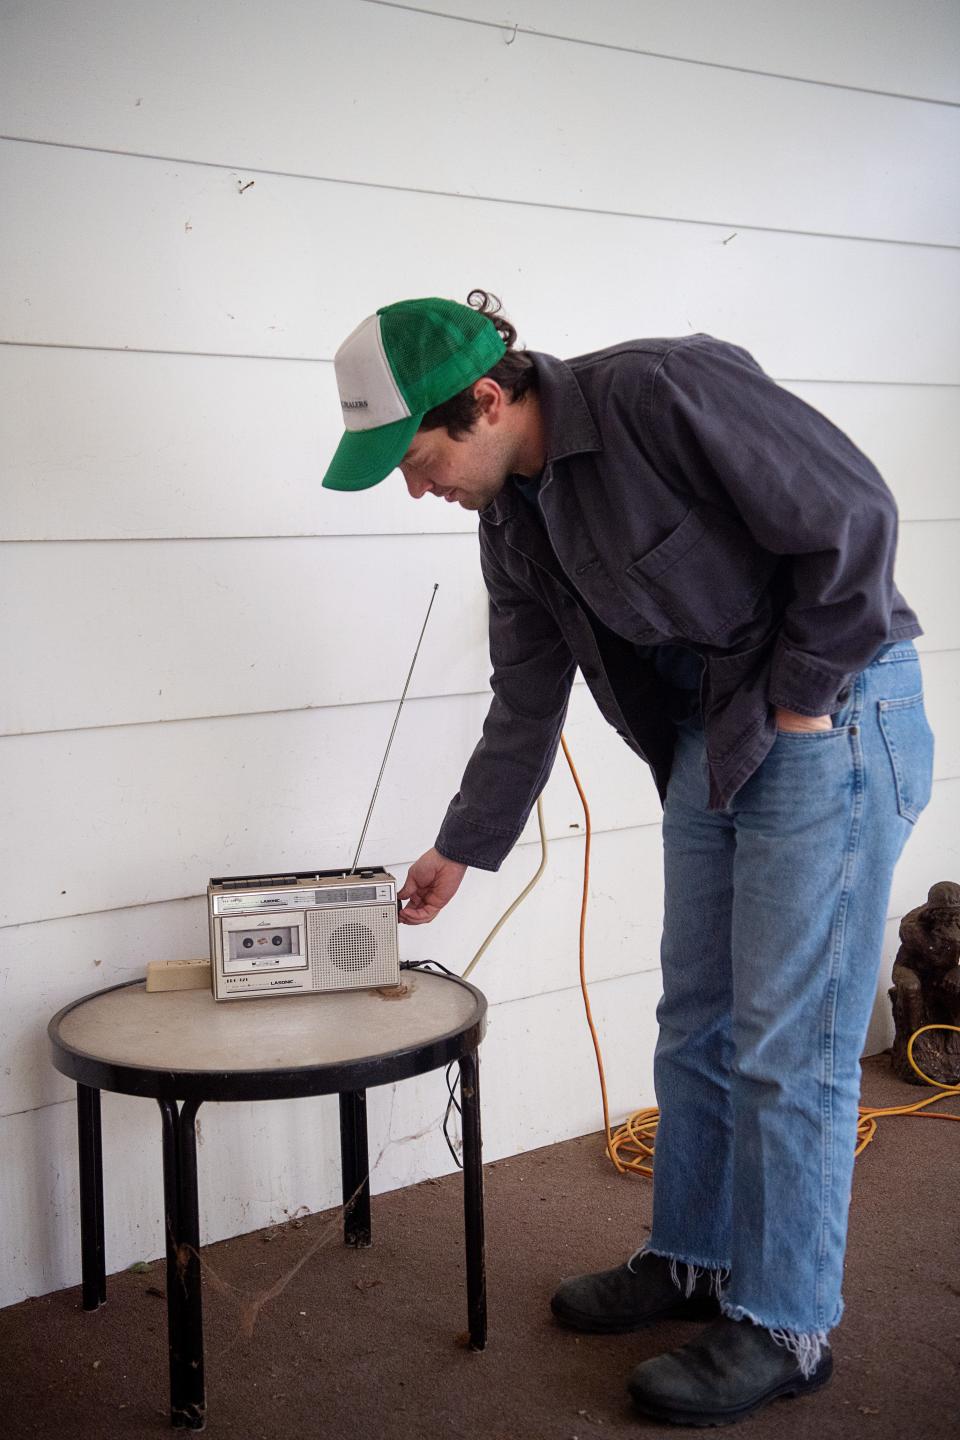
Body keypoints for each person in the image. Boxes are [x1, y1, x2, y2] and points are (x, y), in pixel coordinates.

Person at [322, 291, 934, 1426]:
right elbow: (525, 692)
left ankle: (788, 1323)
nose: (414, 486)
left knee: (786, 1049)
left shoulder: (663, 391)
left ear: (489, 401)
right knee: (694, 1017)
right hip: (715, 733)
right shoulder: (509, 514)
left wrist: (800, 703)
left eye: (415, 457)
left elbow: (856, 518)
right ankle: (692, 1259)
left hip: (829, 712)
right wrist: (464, 844)